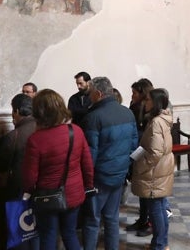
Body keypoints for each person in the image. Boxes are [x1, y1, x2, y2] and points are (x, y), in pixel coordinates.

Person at [22, 89, 93, 250]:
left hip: (47, 195)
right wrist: (88, 186)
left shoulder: (36, 139)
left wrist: (28, 191)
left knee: (48, 235)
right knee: (70, 233)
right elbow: (87, 164)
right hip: (74, 192)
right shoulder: (76, 131)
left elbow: (29, 177)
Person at [79, 77, 137, 250]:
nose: (88, 97)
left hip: (99, 179)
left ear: (98, 93)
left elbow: (90, 155)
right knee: (112, 218)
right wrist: (125, 168)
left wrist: (87, 182)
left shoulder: (93, 117)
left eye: (90, 94)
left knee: (91, 220)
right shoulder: (128, 113)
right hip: (119, 175)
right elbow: (133, 146)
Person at [130, 88, 174, 250]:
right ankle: (161, 243)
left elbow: (155, 152)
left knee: (156, 210)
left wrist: (140, 165)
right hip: (161, 169)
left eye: (147, 99)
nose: (144, 102)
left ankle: (160, 245)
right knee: (160, 208)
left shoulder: (156, 122)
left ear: (155, 103)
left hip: (154, 171)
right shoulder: (162, 119)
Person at [0, 94, 38, 249]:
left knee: (19, 234)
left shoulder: (15, 135)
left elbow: (0, 162)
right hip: (40, 188)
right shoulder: (42, 128)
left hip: (18, 189)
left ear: (17, 111)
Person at [126, 78, 153, 234]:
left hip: (143, 153)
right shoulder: (136, 107)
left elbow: (144, 137)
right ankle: (143, 219)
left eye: (135, 93)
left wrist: (133, 157)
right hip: (138, 150)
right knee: (142, 191)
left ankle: (148, 223)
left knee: (148, 193)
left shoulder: (148, 113)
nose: (132, 95)